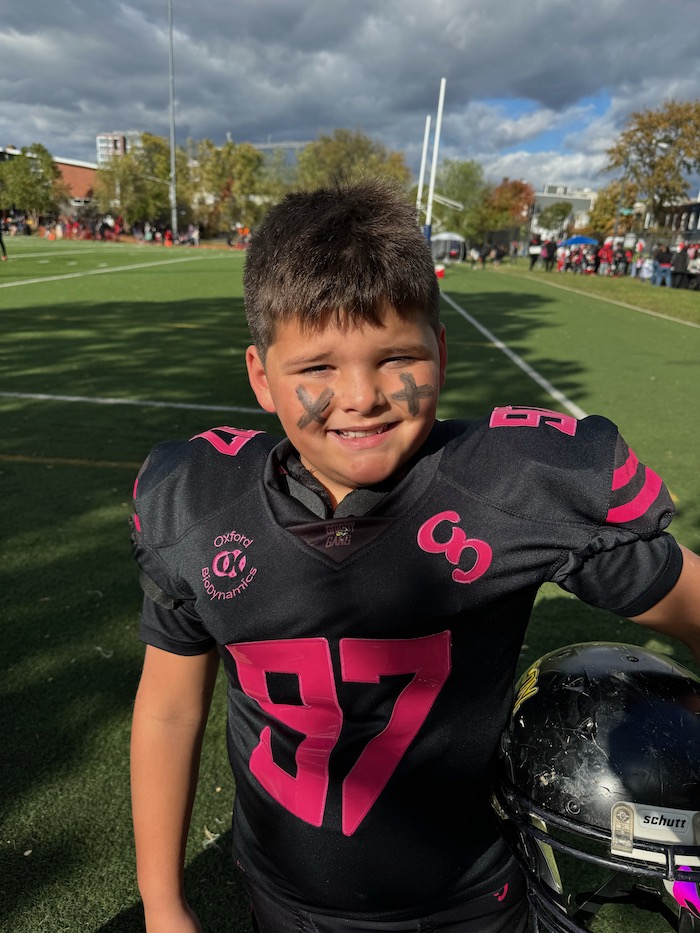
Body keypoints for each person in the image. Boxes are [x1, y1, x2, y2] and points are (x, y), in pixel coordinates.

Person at [130, 178, 700, 933]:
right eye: (317, 369)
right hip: (279, 901)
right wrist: (164, 903)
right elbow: (170, 707)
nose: (361, 395)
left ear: (440, 351)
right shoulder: (199, 504)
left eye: (395, 356)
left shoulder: (510, 487)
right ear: (262, 378)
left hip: (467, 906)